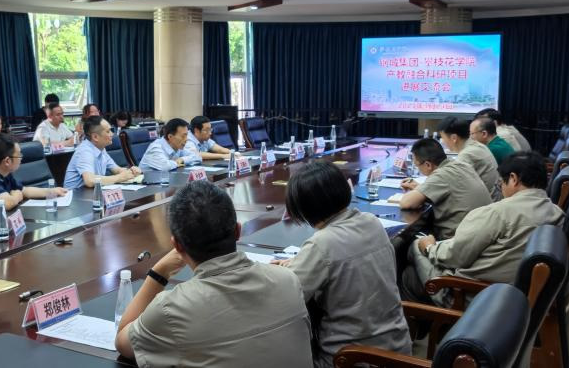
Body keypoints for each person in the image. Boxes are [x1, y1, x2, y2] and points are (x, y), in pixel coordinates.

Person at [115, 181, 313, 367]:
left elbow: (122, 342)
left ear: (176, 245)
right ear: (238, 231)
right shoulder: (288, 279)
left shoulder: (171, 309)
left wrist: (159, 272)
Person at [271, 161, 411, 367]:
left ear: (304, 207)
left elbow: (286, 299)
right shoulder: (371, 221)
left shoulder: (322, 244)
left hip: (352, 357)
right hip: (397, 347)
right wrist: (300, 261)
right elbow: (342, 257)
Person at [402, 152, 564, 307]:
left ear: (513, 179)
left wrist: (430, 247)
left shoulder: (497, 213)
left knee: (414, 247)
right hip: (515, 295)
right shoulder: (557, 214)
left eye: (501, 183)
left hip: (471, 296)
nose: (501, 188)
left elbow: (455, 257)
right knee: (410, 275)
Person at [399, 138, 492, 240]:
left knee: (410, 247)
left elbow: (406, 203)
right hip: (482, 235)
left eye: (417, 165)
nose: (418, 169)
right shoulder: (461, 165)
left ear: (428, 165)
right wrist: (420, 188)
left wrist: (419, 190)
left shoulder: (440, 176)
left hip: (458, 242)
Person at [63, 116, 142, 189]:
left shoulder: (101, 148)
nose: (112, 134)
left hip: (91, 193)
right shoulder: (84, 151)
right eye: (108, 131)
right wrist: (120, 177)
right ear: (95, 137)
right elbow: (89, 181)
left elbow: (117, 170)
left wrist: (131, 171)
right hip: (76, 198)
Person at [436, 116, 502, 201]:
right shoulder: (477, 145)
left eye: (443, 137)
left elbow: (450, 183)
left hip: (487, 205)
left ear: (454, 138)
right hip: (493, 198)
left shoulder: (468, 154)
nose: (442, 141)